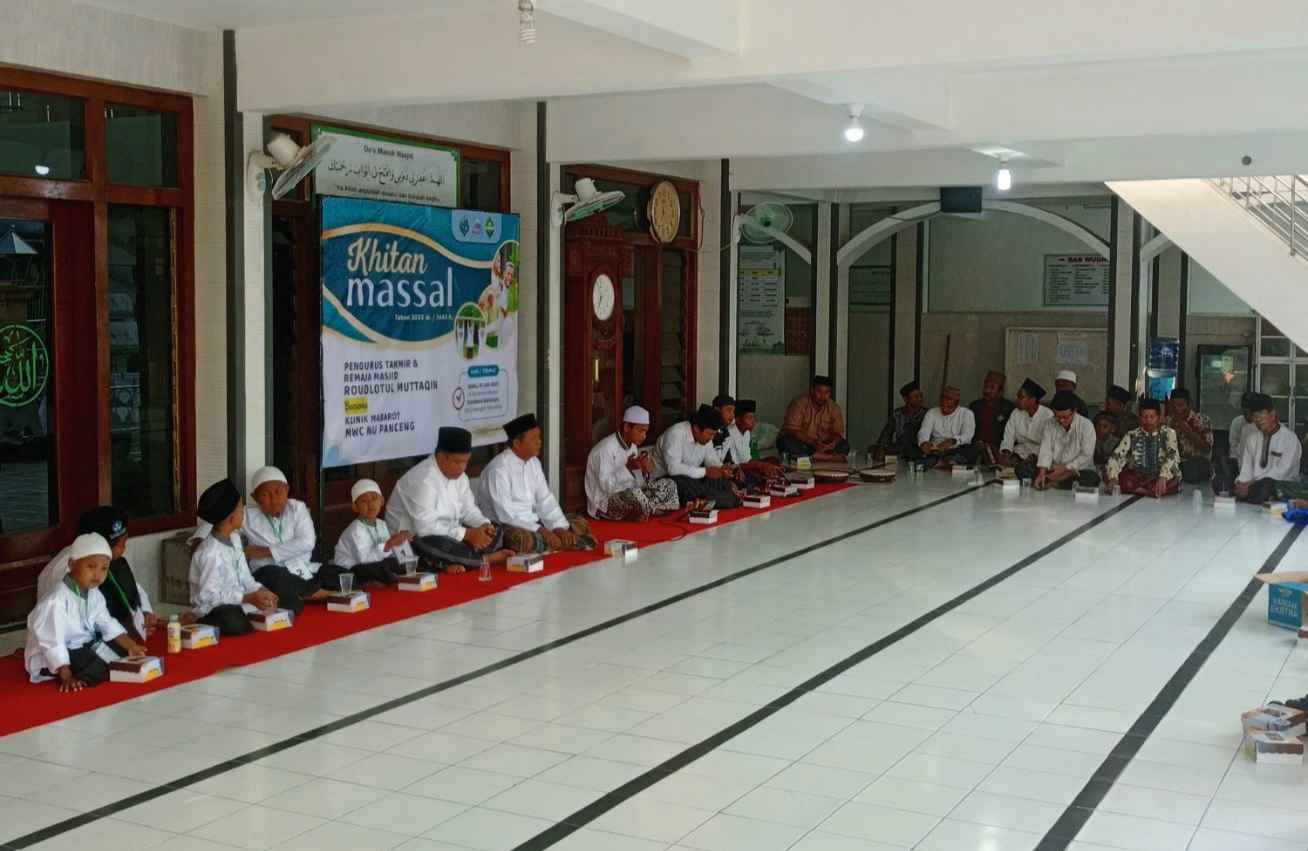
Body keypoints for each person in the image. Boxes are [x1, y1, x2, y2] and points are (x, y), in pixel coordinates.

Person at [191, 467, 327, 614]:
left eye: (278, 492)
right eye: (265, 495)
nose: (274, 499)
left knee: (298, 599)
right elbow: (215, 523)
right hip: (266, 574)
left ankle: (306, 592)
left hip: (300, 568)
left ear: (287, 489)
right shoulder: (246, 516)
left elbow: (307, 542)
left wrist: (266, 552)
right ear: (255, 497)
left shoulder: (297, 508)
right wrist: (199, 541)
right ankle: (315, 593)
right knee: (275, 576)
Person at [25, 533, 147, 690]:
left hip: (83, 645)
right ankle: (72, 674)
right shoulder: (57, 600)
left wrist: (131, 646)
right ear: (71, 564)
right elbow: (53, 641)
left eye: (104, 568)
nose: (97, 574)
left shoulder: (94, 593)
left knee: (121, 656)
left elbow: (107, 623)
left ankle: (91, 665)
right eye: (91, 566)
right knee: (97, 669)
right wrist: (66, 676)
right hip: (56, 653)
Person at [387, 426, 515, 573]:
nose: (462, 468)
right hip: (413, 541)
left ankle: (460, 560)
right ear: (441, 457)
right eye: (457, 462)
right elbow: (425, 529)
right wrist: (467, 534)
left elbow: (468, 510)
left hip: (451, 535)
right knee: (434, 544)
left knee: (496, 530)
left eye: (466, 462)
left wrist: (484, 525)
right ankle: (483, 559)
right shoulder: (423, 480)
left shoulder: (461, 477)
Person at [474, 413, 596, 554]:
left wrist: (559, 528)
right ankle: (565, 542)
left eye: (539, 437)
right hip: (506, 526)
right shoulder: (498, 470)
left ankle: (558, 541)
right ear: (517, 443)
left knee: (578, 522)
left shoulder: (534, 462)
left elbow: (545, 500)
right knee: (521, 539)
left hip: (535, 523)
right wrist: (542, 531)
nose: (539, 442)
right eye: (533, 438)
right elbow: (506, 516)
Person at [34, 506, 157, 643]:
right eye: (122, 544)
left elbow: (133, 588)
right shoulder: (72, 569)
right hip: (69, 640)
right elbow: (80, 620)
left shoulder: (101, 559)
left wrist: (145, 613)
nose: (124, 548)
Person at [190, 479, 280, 636]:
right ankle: (193, 620)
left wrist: (261, 591)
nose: (244, 512)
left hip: (240, 603)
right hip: (213, 610)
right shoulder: (209, 552)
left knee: (285, 602)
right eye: (241, 509)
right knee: (233, 620)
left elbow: (245, 577)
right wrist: (247, 598)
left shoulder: (235, 539)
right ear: (231, 518)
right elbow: (207, 596)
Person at [585, 405, 680, 522]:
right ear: (626, 427)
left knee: (669, 484)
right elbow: (606, 487)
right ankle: (652, 508)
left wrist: (644, 472)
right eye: (640, 431)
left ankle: (649, 508)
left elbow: (639, 484)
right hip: (604, 503)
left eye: (646, 431)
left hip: (630, 493)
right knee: (635, 495)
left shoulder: (633, 447)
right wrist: (628, 469)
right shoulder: (604, 450)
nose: (644, 436)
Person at [650, 405, 742, 508]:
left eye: (714, 435)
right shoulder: (676, 433)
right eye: (709, 434)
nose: (711, 438)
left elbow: (711, 460)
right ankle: (724, 500)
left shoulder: (706, 439)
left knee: (718, 480)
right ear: (696, 429)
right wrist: (706, 471)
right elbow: (673, 469)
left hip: (691, 479)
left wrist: (723, 470)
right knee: (690, 484)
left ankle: (725, 498)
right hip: (666, 482)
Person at [332, 479, 413, 585]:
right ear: (355, 507)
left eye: (374, 499)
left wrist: (401, 542)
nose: (370, 504)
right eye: (364, 501)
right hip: (353, 570)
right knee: (377, 567)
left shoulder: (381, 524)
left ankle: (393, 576)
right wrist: (389, 545)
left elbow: (388, 554)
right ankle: (387, 578)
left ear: (382, 501)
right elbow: (365, 560)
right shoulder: (355, 531)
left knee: (406, 556)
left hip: (377, 564)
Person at [1234, 394, 1305, 503]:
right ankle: (1250, 494)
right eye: (1255, 415)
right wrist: (1241, 483)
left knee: (1266, 485)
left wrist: (1251, 485)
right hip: (1255, 486)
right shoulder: (1251, 439)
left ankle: (1252, 494)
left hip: (1281, 487)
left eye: (1261, 414)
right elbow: (1246, 470)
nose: (1258, 419)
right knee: (1222, 483)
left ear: (1272, 414)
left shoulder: (1290, 438)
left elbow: (1281, 473)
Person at [1104, 398, 1182, 498]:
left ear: (1159, 417)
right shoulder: (1132, 434)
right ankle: (1148, 491)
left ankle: (1141, 490)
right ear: (1139, 417)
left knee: (1171, 481)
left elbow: (1173, 456)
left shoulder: (1168, 433)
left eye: (1152, 417)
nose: (1148, 421)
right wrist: (1113, 477)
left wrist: (1163, 476)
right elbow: (1117, 455)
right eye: (1144, 417)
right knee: (1118, 477)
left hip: (1161, 475)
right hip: (1140, 476)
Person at [1034, 392, 1098, 490]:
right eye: (1057, 417)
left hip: (1078, 470)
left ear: (1074, 411)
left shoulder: (1086, 426)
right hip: (1054, 468)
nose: (1061, 421)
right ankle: (1053, 481)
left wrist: (1066, 468)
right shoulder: (1050, 423)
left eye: (1065, 417)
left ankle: (1055, 482)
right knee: (1027, 469)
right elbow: (1045, 449)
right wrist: (1042, 472)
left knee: (1090, 478)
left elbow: (1086, 456)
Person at [778, 375, 848, 462]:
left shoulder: (834, 408)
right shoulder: (799, 403)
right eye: (819, 391)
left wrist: (832, 444)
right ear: (812, 390)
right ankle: (828, 457)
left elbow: (837, 433)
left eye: (827, 392)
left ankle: (815, 456)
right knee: (785, 443)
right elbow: (792, 430)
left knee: (844, 445)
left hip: (823, 444)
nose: (822, 396)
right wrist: (813, 443)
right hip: (803, 442)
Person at [997, 378, 1051, 478]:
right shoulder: (1015, 413)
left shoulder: (1048, 415)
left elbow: (1049, 445)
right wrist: (1006, 451)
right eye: (1017, 396)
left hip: (1038, 454)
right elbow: (1008, 436)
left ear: (1033, 400)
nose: (1017, 400)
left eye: (1021, 397)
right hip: (1019, 453)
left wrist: (1035, 457)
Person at [723, 399, 783, 480]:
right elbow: (735, 465)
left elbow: (747, 460)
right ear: (737, 419)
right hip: (733, 470)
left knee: (773, 461)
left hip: (744, 467)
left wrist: (763, 465)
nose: (753, 421)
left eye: (754, 417)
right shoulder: (728, 433)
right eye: (749, 418)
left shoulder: (747, 433)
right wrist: (761, 465)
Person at [917, 385, 976, 467]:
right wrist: (924, 442)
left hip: (956, 450)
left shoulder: (967, 414)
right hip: (935, 450)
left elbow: (968, 436)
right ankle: (945, 463)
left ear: (957, 404)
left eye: (949, 407)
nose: (945, 409)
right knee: (912, 448)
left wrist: (952, 441)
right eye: (942, 405)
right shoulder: (932, 412)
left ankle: (941, 462)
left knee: (972, 449)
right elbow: (924, 431)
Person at [1167, 388, 1213, 484]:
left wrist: (1186, 429)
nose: (1177, 409)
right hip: (1176, 464)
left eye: (1180, 405)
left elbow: (1206, 448)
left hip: (1198, 465)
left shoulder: (1202, 420)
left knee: (1192, 467)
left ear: (1189, 404)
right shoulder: (1169, 421)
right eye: (1174, 406)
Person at [969, 370, 1015, 466]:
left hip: (997, 450)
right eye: (985, 387)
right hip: (976, 447)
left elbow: (1010, 435)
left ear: (1000, 392)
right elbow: (969, 431)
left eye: (992, 388)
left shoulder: (1008, 408)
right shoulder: (975, 406)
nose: (987, 391)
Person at [874, 380, 927, 460]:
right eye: (916, 396)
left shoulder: (926, 413)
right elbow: (886, 433)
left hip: (917, 448)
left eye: (921, 396)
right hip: (900, 447)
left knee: (912, 452)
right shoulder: (897, 414)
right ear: (906, 399)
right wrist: (881, 447)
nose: (920, 399)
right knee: (873, 450)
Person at [707, 394, 737, 466]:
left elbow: (727, 460)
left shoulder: (725, 432)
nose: (732, 415)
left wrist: (735, 468)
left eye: (733, 411)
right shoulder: (706, 431)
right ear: (717, 410)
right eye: (729, 410)